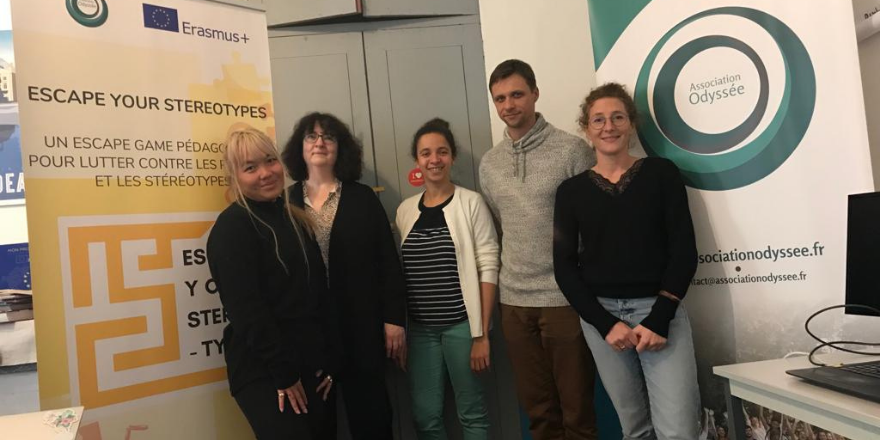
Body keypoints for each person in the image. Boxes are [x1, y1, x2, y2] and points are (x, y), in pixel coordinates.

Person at [553, 82, 700, 440]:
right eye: (598, 119)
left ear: (631, 123)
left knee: (678, 431)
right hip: (603, 321)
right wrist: (605, 324)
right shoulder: (571, 192)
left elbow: (684, 250)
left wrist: (660, 317)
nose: (609, 126)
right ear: (586, 129)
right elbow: (564, 266)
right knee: (634, 430)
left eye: (617, 117)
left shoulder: (662, 174)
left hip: (660, 314)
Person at [478, 58, 598, 439]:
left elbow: (593, 225)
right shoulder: (490, 164)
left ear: (535, 94)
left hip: (565, 299)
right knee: (539, 414)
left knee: (577, 412)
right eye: (500, 99)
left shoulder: (572, 150)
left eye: (516, 94)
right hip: (514, 302)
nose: (508, 105)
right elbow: (501, 223)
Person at [207, 127, 340, 439]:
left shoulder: (297, 219)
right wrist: (284, 374)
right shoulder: (231, 229)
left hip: (311, 365)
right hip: (265, 371)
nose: (266, 173)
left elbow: (319, 295)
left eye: (270, 161)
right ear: (235, 177)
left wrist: (331, 360)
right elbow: (247, 312)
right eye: (250, 168)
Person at [283, 112, 407, 440]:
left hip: (361, 325)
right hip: (310, 330)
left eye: (329, 137)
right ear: (301, 147)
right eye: (311, 136)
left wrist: (394, 319)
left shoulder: (362, 198)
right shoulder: (285, 202)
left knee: (372, 416)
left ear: (341, 148)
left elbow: (387, 261)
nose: (320, 143)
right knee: (318, 422)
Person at [396, 118, 499, 439]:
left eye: (441, 152)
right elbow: (398, 275)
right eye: (426, 153)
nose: (434, 159)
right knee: (426, 416)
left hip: (462, 328)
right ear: (417, 161)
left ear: (452, 157)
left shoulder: (471, 203)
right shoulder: (404, 211)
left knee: (472, 413)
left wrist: (481, 335)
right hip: (421, 332)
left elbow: (488, 266)